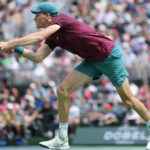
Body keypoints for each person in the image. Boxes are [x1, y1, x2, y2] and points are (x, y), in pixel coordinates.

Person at [0, 2, 150, 150]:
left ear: (47, 16)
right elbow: (38, 57)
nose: (34, 19)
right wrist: (17, 49)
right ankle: (62, 139)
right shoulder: (52, 37)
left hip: (109, 56)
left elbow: (39, 37)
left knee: (128, 100)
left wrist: (9, 43)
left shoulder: (61, 19)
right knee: (62, 91)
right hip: (92, 60)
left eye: (37, 16)